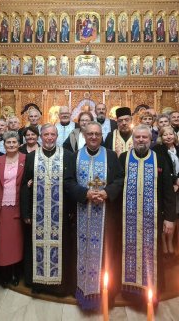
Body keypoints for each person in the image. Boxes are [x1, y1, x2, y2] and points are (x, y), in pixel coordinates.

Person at [64, 121, 124, 310]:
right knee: (81, 253)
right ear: (84, 135)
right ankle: (82, 291)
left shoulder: (111, 156)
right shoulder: (74, 157)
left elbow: (120, 179)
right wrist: (85, 194)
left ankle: (106, 293)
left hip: (106, 217)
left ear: (101, 136)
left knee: (106, 254)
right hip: (82, 214)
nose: (93, 137)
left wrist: (107, 193)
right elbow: (68, 182)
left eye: (97, 134)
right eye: (90, 134)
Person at [118, 125, 176, 303]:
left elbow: (168, 190)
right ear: (133, 139)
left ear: (150, 139)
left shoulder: (159, 158)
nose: (141, 140)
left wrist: (170, 218)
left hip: (153, 218)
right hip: (127, 218)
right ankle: (130, 289)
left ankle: (151, 288)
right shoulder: (123, 158)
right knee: (127, 251)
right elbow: (117, 185)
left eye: (144, 137)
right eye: (137, 137)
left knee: (152, 251)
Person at [21, 124, 75, 296]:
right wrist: (26, 213)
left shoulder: (67, 156)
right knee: (35, 247)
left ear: (57, 136)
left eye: (53, 134)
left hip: (60, 214)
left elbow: (72, 184)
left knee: (61, 248)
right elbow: (24, 186)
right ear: (40, 136)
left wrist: (72, 210)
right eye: (46, 134)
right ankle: (38, 283)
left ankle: (59, 286)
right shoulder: (31, 157)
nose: (49, 137)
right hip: (37, 216)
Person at [0, 131, 26, 287]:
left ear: (19, 144)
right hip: (1, 209)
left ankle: (16, 273)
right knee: (3, 244)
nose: (11, 145)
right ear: (3, 145)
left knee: (17, 242)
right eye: (8, 143)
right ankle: (4, 273)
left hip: (18, 208)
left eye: (14, 142)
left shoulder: (26, 159)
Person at [153, 126, 179, 256]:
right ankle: (164, 242)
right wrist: (174, 180)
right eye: (165, 135)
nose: (168, 136)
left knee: (176, 217)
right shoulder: (157, 150)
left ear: (175, 136)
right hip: (165, 188)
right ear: (161, 137)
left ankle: (171, 242)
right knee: (166, 216)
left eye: (170, 134)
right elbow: (161, 169)